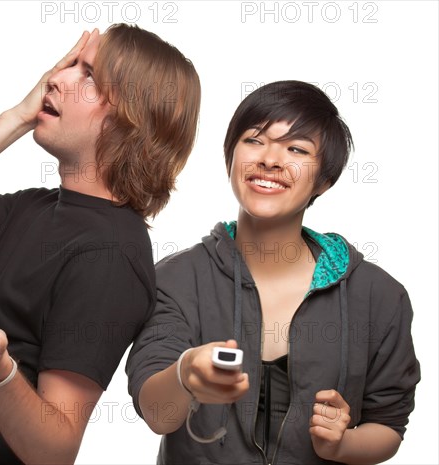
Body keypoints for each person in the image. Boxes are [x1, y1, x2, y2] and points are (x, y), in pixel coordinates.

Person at [0, 24, 200, 464]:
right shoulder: (35, 207)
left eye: (88, 76)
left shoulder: (110, 255)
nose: (58, 78)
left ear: (131, 119)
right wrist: (17, 117)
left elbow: (55, 450)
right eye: (69, 66)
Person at [127, 80, 420, 464]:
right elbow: (156, 413)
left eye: (297, 149)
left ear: (325, 180)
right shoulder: (175, 279)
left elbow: (388, 426)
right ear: (230, 156)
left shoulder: (378, 295)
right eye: (254, 140)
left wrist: (341, 444)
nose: (270, 159)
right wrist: (185, 375)